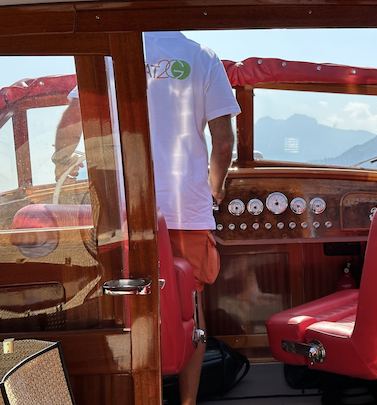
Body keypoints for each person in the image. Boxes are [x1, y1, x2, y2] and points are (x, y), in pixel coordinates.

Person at [54, 31, 240, 405]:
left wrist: (63, 167)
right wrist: (214, 190)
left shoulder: (106, 55)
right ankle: (186, 402)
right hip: (186, 209)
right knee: (190, 310)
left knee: (127, 306)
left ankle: (137, 395)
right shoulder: (202, 56)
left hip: (121, 211)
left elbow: (71, 124)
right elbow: (223, 142)